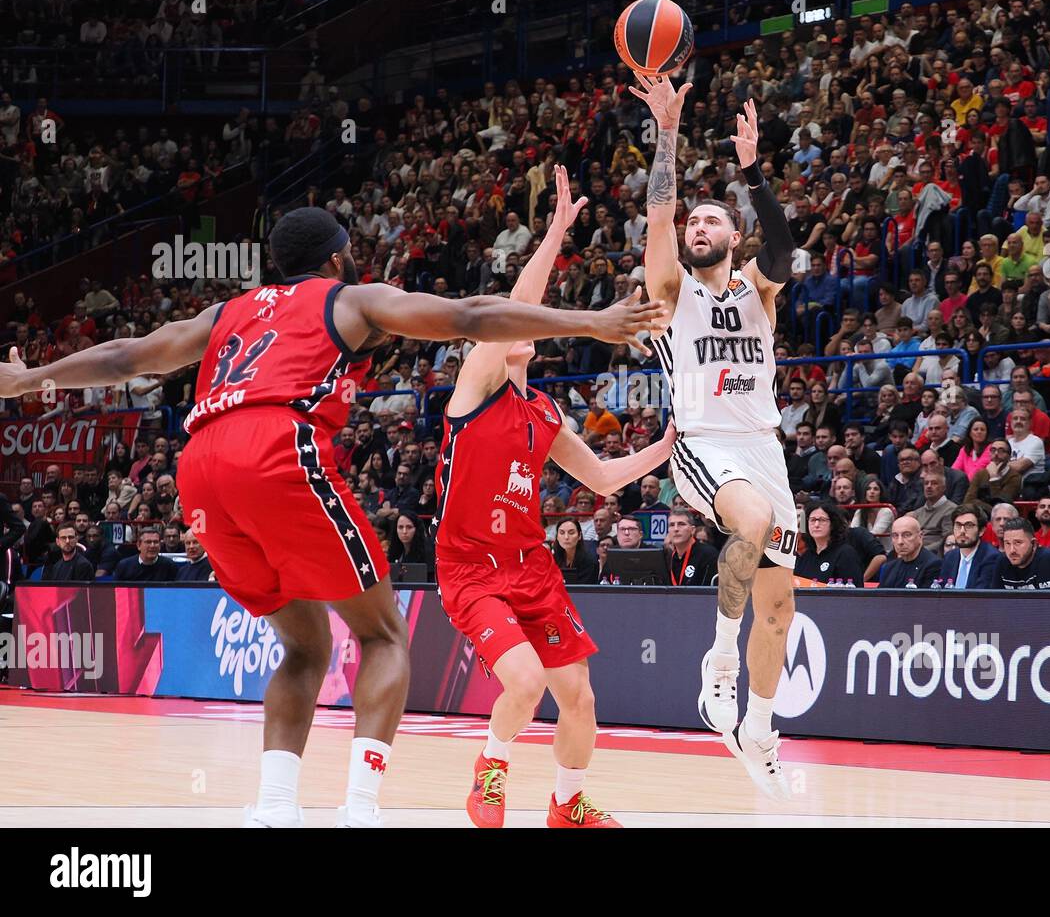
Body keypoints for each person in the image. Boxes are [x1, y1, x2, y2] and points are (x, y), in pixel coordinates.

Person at [0, 203, 663, 830]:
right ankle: (360, 811)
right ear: (340, 258)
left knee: (306, 645)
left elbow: (126, 357)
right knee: (381, 638)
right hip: (277, 450)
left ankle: (274, 808)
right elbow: (471, 315)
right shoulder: (349, 299)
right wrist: (592, 323)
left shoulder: (228, 310)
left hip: (198, 469)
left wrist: (28, 381)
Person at [433, 171, 677, 828]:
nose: (526, 327)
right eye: (519, 324)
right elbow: (513, 305)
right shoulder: (475, 390)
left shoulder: (543, 415)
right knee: (526, 682)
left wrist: (667, 449)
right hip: (472, 571)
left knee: (581, 698)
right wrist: (557, 231)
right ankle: (490, 767)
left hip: (531, 568)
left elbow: (600, 478)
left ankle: (567, 804)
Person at [636, 79, 799, 797]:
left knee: (780, 608)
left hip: (765, 445)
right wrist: (666, 133)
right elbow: (659, 211)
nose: (697, 228)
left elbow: (787, 252)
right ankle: (719, 669)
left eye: (712, 221)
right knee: (753, 523)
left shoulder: (756, 290)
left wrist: (755, 173)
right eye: (692, 223)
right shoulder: (672, 292)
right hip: (701, 442)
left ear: (735, 237)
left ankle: (758, 728)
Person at [794, 502, 865, 586]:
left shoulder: (845, 553)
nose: (816, 525)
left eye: (822, 520)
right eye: (812, 520)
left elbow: (855, 592)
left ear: (833, 524)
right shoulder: (805, 556)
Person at [995, 517, 1050, 589]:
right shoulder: (1001, 561)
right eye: (1007, 543)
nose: (1012, 550)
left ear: (1033, 544)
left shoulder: (1049, 559)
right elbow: (995, 601)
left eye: (1018, 543)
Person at [936, 506, 1000, 589]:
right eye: (958, 525)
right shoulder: (950, 557)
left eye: (968, 526)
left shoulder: (991, 557)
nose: (962, 531)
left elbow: (980, 595)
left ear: (981, 531)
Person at [874, 515, 941, 588]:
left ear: (920, 536)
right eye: (895, 535)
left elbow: (926, 598)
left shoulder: (933, 565)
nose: (900, 542)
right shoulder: (889, 567)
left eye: (906, 535)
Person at [664, 508, 719, 587]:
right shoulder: (667, 558)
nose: (676, 529)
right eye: (672, 525)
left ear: (692, 530)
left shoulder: (708, 555)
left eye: (681, 524)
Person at [112, 527, 179, 582]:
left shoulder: (169, 566)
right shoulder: (124, 566)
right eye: (148, 542)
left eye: (156, 542)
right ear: (139, 545)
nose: (152, 546)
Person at [552, 518, 599, 585]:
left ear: (579, 536)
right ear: (557, 537)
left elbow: (585, 590)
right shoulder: (553, 559)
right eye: (562, 533)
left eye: (571, 533)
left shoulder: (590, 562)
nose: (566, 537)